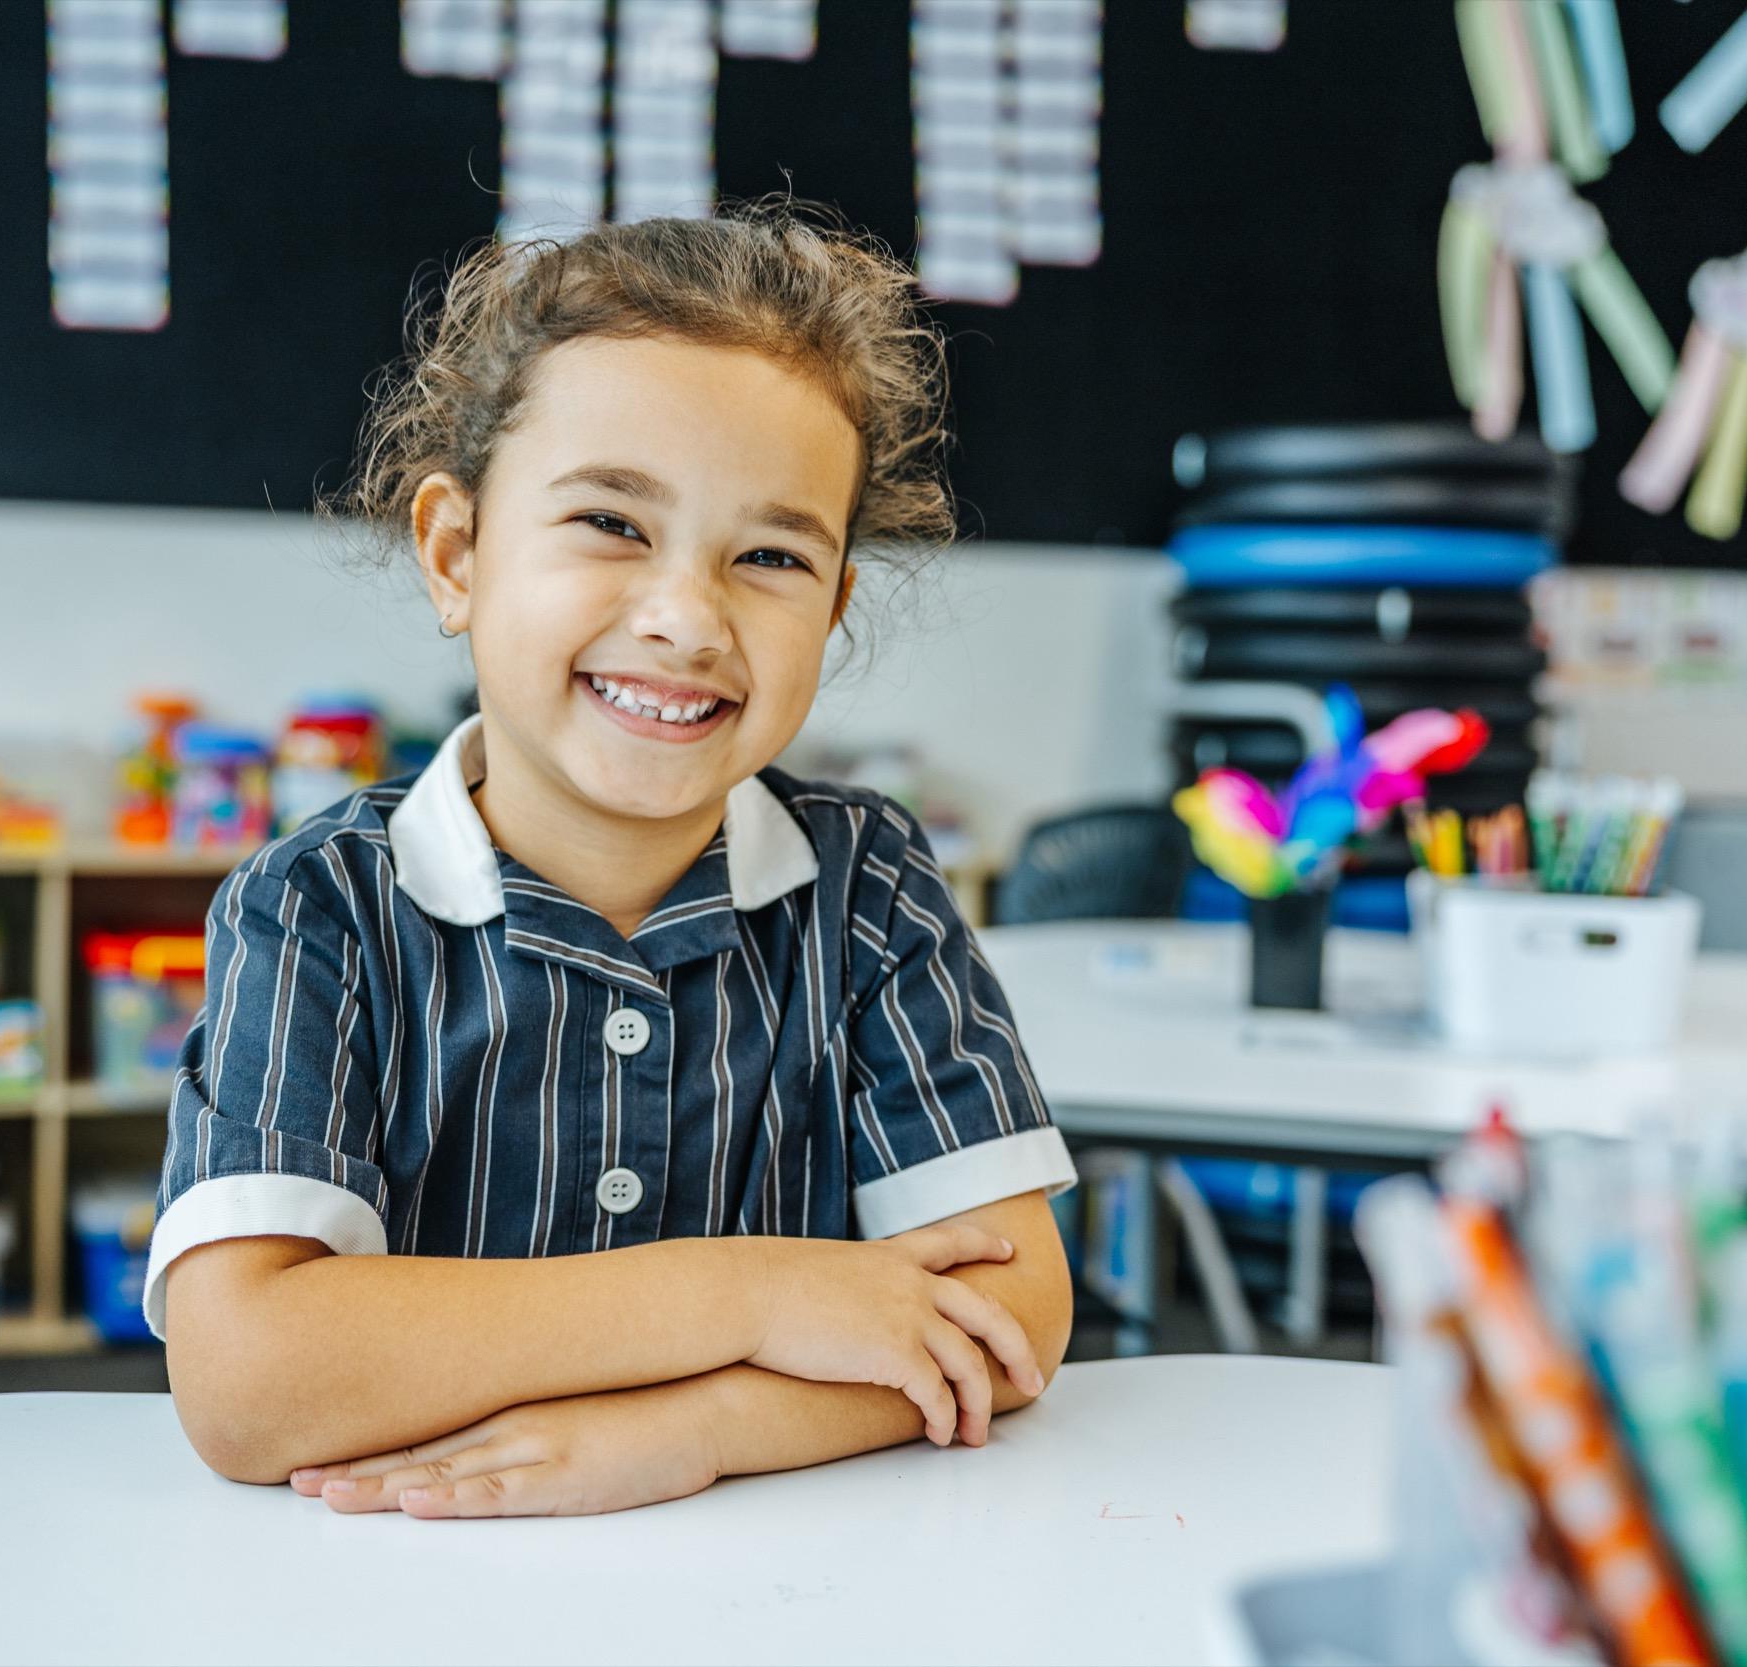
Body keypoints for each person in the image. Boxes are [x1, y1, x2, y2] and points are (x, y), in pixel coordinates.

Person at [154, 201, 1077, 1518]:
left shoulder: (866, 888)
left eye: (769, 555)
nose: (686, 619)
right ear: (457, 552)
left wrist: (700, 1430)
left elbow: (1012, 1315)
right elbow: (248, 1382)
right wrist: (755, 1293)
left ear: (834, 608)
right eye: (611, 523)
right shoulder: (323, 908)